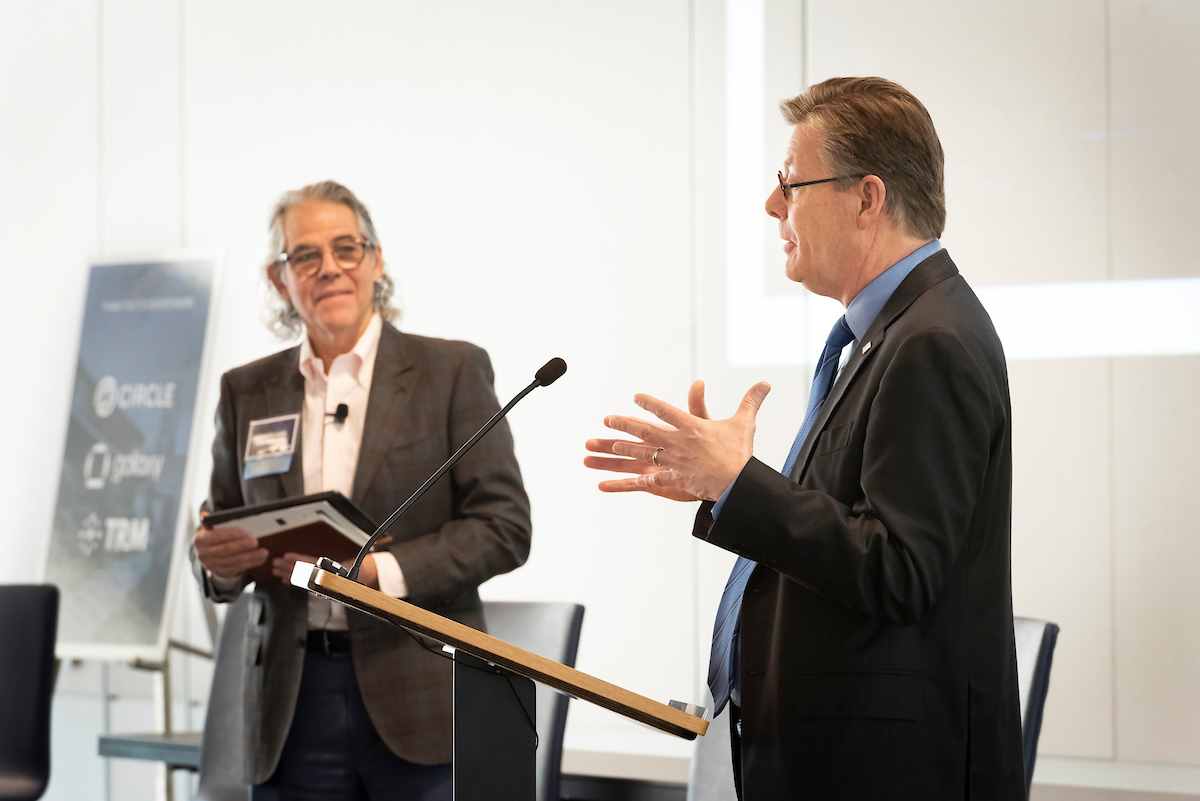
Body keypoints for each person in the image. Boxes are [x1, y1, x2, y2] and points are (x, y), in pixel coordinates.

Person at [585, 77, 1025, 799]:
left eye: (789, 183)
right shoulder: (891, 333)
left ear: (867, 198)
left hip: (887, 772)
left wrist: (738, 483)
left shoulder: (930, 341)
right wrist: (720, 484)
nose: (770, 205)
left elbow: (897, 567)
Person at [190, 180, 531, 801]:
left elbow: (504, 528)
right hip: (291, 705)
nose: (329, 269)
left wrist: (378, 572)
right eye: (306, 256)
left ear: (376, 260)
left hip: (423, 690)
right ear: (278, 279)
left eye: (346, 248)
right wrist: (213, 564)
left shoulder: (449, 372)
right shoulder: (247, 390)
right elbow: (221, 524)